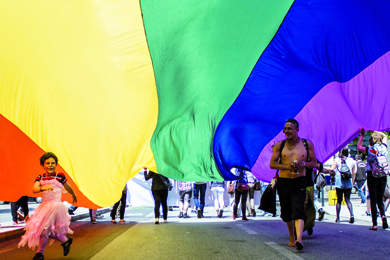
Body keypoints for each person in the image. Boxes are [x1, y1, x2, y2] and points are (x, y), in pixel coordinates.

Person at [18, 152, 77, 260]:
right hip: (44, 207)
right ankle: (65, 240)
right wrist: (43, 188)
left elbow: (68, 187)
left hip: (56, 207)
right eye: (48, 163)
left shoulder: (60, 175)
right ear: (43, 165)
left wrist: (73, 194)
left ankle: (40, 253)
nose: (50, 165)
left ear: (56, 164)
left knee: (44, 229)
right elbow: (35, 189)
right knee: (43, 230)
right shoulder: (40, 177)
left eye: (53, 163)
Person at [270, 119, 317, 251]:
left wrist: (304, 164)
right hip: (284, 182)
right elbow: (272, 164)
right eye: (285, 129)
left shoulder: (307, 144)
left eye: (289, 129)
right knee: (286, 212)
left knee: (298, 209)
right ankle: (292, 237)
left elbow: (314, 163)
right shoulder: (280, 145)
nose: (286, 131)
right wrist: (286, 166)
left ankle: (299, 239)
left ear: (297, 129)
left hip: (299, 181)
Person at [357, 128, 389, 230]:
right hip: (383, 175)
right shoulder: (384, 147)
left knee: (373, 200)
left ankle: (374, 224)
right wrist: (377, 131)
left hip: (372, 175)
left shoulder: (369, 149)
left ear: (372, 140)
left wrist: (362, 135)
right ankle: (383, 216)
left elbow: (358, 147)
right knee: (380, 199)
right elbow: (385, 136)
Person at [329, 148, 357, 224]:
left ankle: (338, 218)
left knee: (339, 200)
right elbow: (354, 172)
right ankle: (351, 214)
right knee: (348, 199)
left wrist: (332, 178)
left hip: (339, 182)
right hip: (348, 182)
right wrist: (353, 182)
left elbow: (331, 169)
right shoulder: (352, 160)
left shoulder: (337, 160)